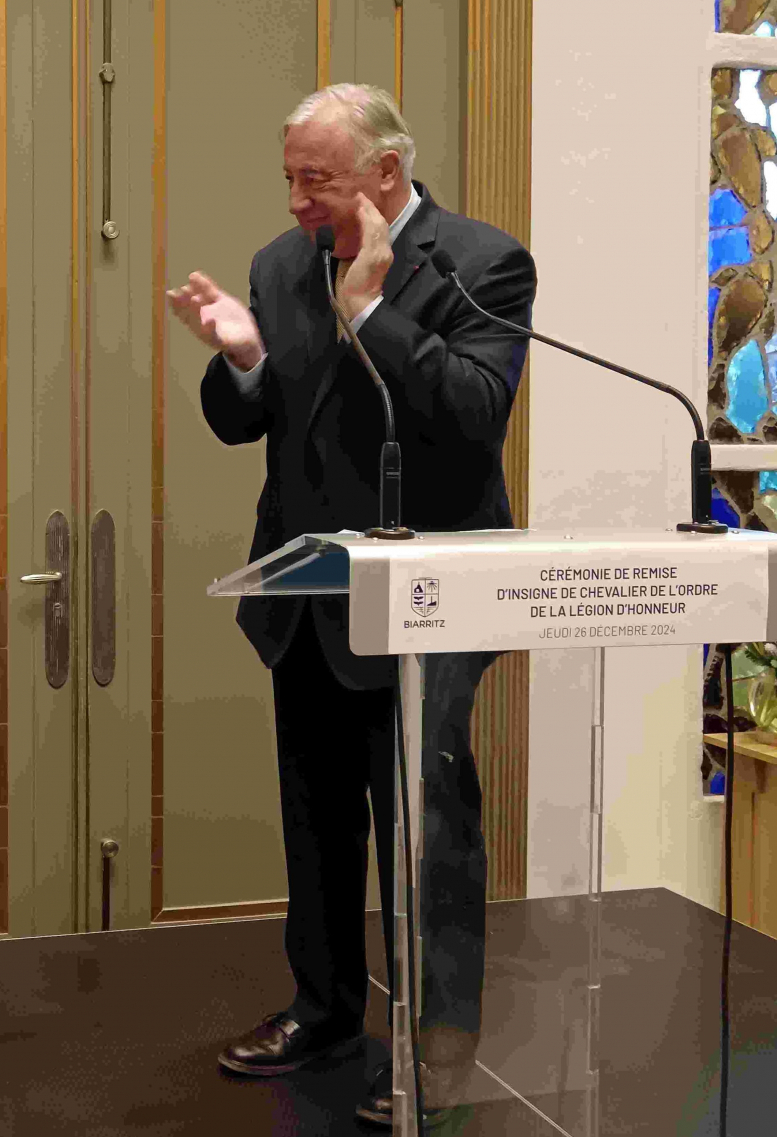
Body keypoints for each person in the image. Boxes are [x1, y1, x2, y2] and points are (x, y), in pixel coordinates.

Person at [167, 84, 536, 1126]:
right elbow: (260, 424)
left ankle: (440, 1045)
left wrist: (371, 311)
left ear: (384, 171)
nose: (295, 202)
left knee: (428, 834)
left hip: (430, 604)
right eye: (288, 178)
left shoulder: (485, 262)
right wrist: (241, 357)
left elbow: (471, 415)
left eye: (314, 180)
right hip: (307, 592)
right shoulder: (279, 267)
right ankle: (324, 1007)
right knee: (316, 820)